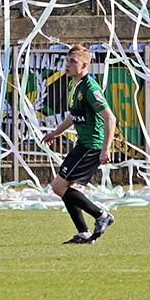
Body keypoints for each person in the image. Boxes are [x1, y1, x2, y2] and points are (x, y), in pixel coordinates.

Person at [41, 44, 117, 245]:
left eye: (72, 62)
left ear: (84, 65)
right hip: (83, 143)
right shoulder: (73, 85)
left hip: (92, 144)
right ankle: (83, 233)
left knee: (59, 186)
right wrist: (56, 132)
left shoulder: (90, 88)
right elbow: (74, 116)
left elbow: (110, 118)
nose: (67, 65)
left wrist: (105, 148)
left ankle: (101, 216)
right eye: (67, 61)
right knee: (64, 187)